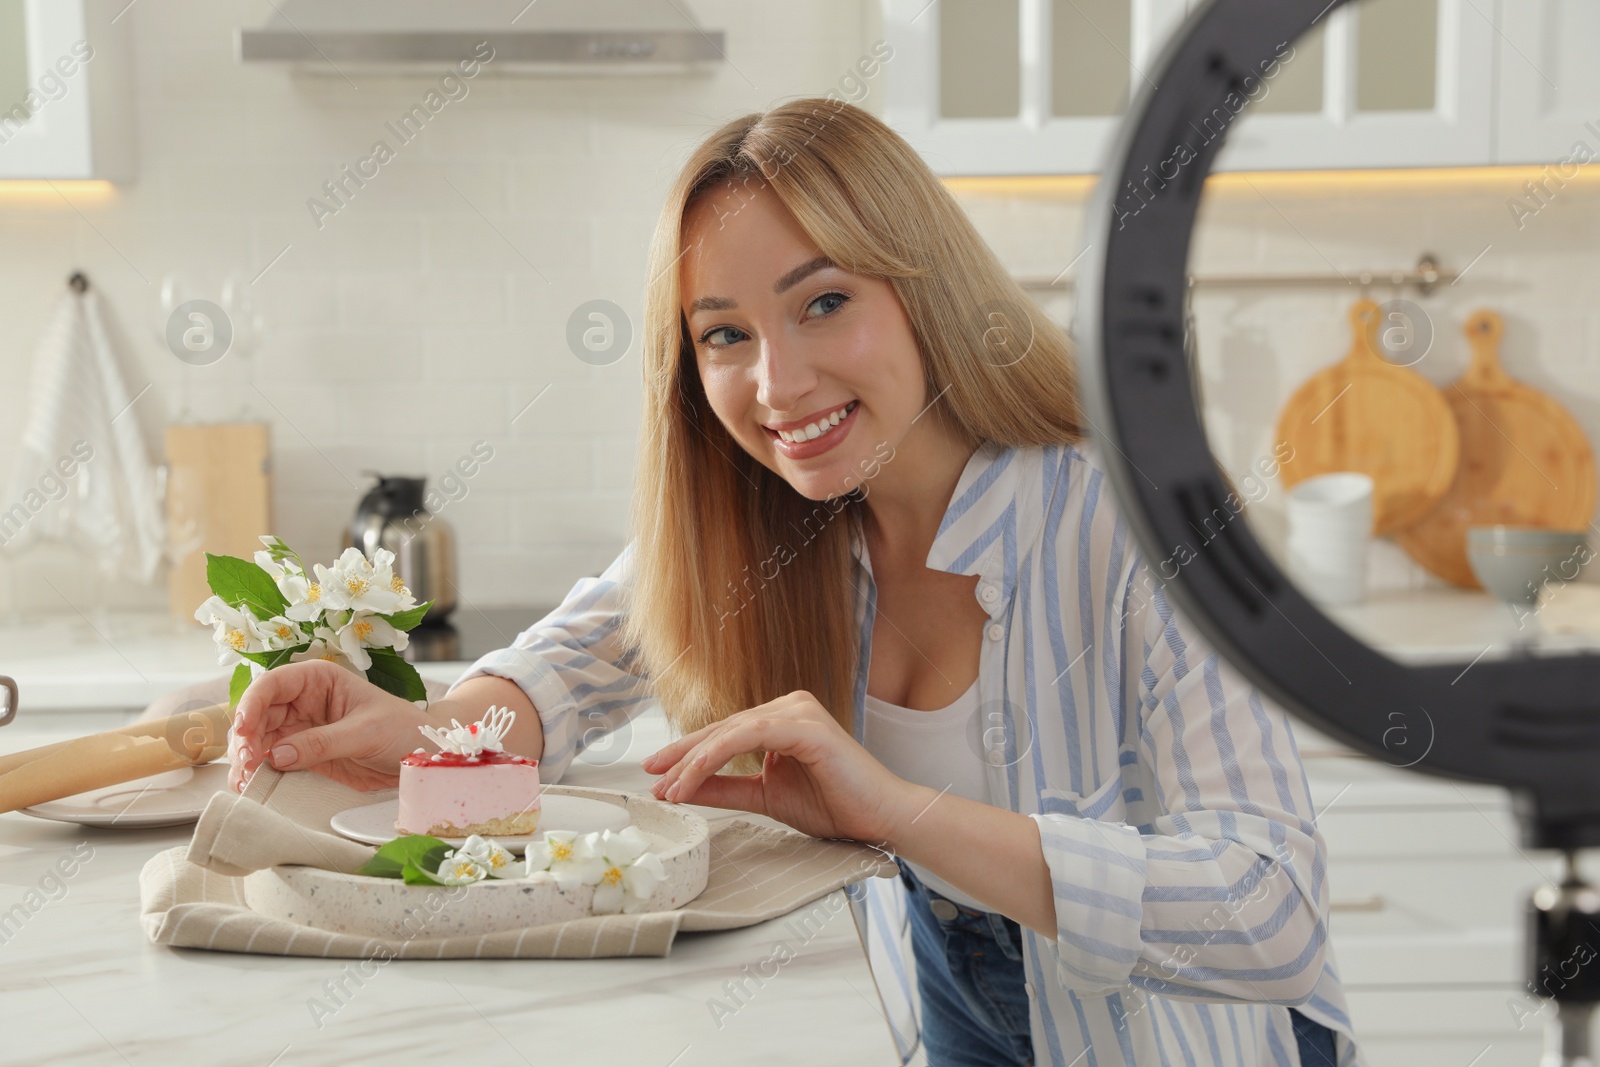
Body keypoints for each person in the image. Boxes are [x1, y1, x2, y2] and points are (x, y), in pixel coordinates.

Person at [229, 97, 1360, 1067]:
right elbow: (571, 669)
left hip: (1178, 1034)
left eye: (824, 302)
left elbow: (1272, 915)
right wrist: (419, 734)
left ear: (928, 289)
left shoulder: (1143, 515)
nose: (776, 382)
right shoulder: (774, 517)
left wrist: (894, 809)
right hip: (948, 991)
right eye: (724, 334)